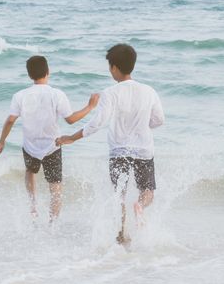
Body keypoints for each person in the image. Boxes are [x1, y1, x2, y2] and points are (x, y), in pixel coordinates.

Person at [56, 44, 164, 245]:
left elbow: (97, 123)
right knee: (147, 192)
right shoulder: (149, 91)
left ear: (114, 68)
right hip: (144, 150)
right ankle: (140, 207)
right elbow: (159, 120)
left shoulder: (110, 93)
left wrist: (72, 137)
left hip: (119, 151)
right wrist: (141, 125)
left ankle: (122, 235)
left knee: (119, 195)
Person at [0, 55, 99, 223]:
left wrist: (1, 141)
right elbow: (71, 119)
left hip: (30, 146)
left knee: (30, 172)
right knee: (55, 185)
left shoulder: (20, 95)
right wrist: (90, 106)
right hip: (53, 146)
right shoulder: (56, 94)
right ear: (48, 72)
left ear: (29, 75)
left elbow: (10, 120)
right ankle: (52, 223)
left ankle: (33, 206)